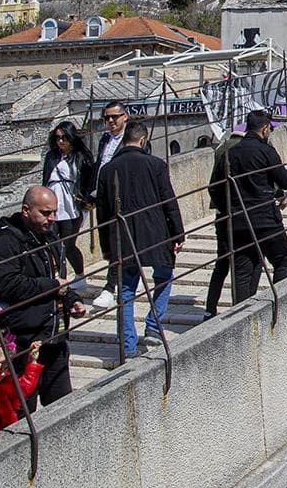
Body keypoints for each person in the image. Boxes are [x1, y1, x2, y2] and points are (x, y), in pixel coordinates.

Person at [0, 187, 85, 406]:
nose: (52, 219)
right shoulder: (6, 241)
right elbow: (3, 284)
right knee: (21, 412)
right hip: (22, 343)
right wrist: (51, 285)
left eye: (55, 212)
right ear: (26, 210)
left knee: (61, 411)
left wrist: (72, 300)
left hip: (53, 339)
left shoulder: (49, 236)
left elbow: (59, 278)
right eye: (46, 213)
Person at [96, 121, 185, 357]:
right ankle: (154, 326)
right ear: (144, 141)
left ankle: (128, 344)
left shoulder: (107, 170)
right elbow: (169, 200)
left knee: (126, 290)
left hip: (122, 237)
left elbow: (102, 213)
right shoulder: (155, 164)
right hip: (156, 233)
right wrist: (178, 232)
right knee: (164, 277)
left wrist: (106, 247)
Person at [222, 110, 287, 304]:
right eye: (270, 130)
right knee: (282, 261)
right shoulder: (266, 151)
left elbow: (216, 187)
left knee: (242, 272)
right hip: (265, 218)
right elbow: (285, 181)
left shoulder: (230, 153)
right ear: (265, 129)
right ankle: (279, 306)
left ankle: (238, 317)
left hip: (238, 220)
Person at [92, 101, 147, 310]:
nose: (111, 121)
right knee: (113, 242)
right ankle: (127, 278)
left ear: (125, 117)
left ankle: (110, 287)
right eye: (107, 117)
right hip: (105, 196)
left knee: (119, 243)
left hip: (125, 199)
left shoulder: (133, 140)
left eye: (115, 116)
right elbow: (100, 166)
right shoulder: (105, 139)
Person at [42, 121, 96, 290]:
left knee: (68, 245)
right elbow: (45, 178)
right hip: (52, 203)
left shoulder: (82, 157)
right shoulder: (51, 156)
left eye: (65, 137)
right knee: (52, 244)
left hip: (71, 206)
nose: (61, 141)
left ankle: (79, 275)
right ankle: (59, 280)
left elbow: (89, 181)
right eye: (58, 138)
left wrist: (88, 199)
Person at [204, 131, 244, 320]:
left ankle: (209, 309)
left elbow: (213, 185)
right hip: (241, 212)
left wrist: (221, 207)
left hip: (222, 213)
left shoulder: (222, 147)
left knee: (222, 263)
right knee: (243, 263)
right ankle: (241, 305)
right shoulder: (244, 148)